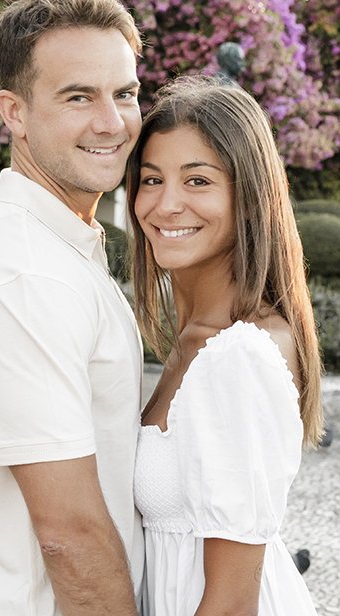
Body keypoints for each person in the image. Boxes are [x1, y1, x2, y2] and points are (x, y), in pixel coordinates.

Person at [0, 0, 146, 615]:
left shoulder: (62, 248)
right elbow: (70, 537)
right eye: (79, 96)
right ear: (14, 112)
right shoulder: (21, 276)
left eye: (124, 93)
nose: (111, 122)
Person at [127, 76, 323, 615]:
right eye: (151, 179)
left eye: (197, 181)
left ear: (248, 198)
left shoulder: (240, 354)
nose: (165, 205)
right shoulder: (192, 341)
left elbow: (233, 603)